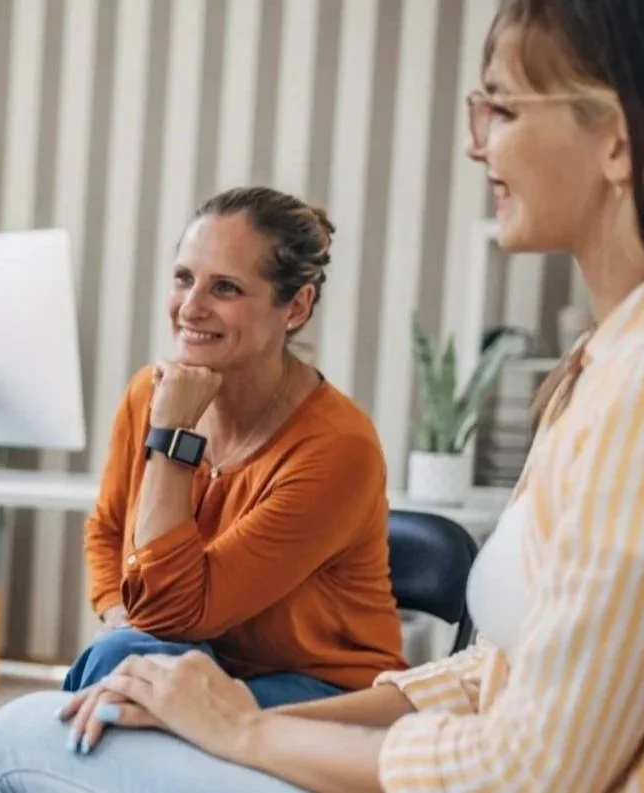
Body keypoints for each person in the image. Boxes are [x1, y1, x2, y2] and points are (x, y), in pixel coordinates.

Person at [0, 1, 644, 791]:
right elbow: (488, 677)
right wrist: (246, 721)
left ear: (619, 139)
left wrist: (250, 733)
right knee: (109, 687)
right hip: (375, 725)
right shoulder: (614, 358)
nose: (478, 143)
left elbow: (533, 769)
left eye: (504, 109)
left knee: (21, 735)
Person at [53, 186, 407, 735]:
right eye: (183, 278)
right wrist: (124, 620)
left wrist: (172, 438)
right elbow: (108, 529)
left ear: (296, 306)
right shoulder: (151, 394)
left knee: (128, 671)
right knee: (126, 660)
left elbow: (172, 615)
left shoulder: (338, 448)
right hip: (195, 656)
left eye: (225, 288)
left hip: (320, 691)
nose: (191, 307)